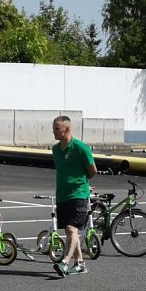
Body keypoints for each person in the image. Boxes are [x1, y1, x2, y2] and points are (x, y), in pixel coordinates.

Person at [50, 115, 97, 277]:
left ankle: (64, 262)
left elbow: (92, 170)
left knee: (71, 229)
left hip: (78, 195)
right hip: (62, 195)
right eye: (53, 128)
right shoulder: (55, 149)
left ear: (67, 129)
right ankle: (80, 263)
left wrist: (83, 184)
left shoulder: (80, 147)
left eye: (57, 129)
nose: (54, 132)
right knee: (71, 231)